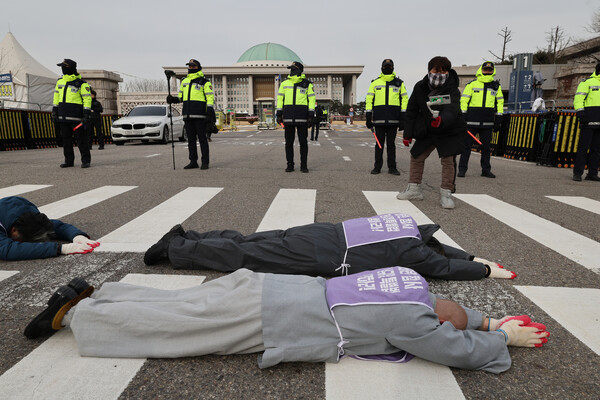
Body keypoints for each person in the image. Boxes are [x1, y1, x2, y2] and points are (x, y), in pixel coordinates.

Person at [24, 268, 549, 374]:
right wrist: (498, 337)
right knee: (178, 332)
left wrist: (483, 320)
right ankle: (80, 318)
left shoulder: (407, 281)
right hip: (272, 316)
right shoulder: (413, 324)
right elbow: (453, 349)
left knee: (183, 304)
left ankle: (104, 294)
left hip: (268, 286)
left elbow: (453, 320)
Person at [142, 213, 516, 281]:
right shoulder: (415, 253)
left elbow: (439, 250)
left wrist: (469, 255)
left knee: (250, 241)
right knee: (245, 256)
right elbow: (442, 266)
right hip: (323, 256)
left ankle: (190, 236)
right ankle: (174, 249)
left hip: (321, 233)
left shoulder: (404, 224)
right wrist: (481, 269)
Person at [396, 56, 465, 209]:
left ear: (448, 72)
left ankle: (446, 193)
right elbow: (412, 110)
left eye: (443, 71)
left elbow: (453, 109)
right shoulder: (420, 87)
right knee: (416, 155)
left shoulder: (452, 88)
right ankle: (414, 189)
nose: (439, 75)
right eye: (436, 71)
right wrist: (407, 134)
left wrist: (442, 119)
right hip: (428, 128)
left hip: (448, 129)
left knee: (448, 160)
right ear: (429, 71)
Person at [0, 196, 99, 261]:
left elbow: (55, 226)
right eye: (20, 240)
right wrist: (60, 248)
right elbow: (7, 250)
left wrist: (77, 236)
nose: (21, 242)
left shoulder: (25, 215)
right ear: (13, 229)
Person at [457, 61, 504, 179]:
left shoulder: (496, 86)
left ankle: (486, 170)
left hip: (487, 122)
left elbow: (500, 102)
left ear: (493, 71)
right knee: (466, 146)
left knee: (486, 148)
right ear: (481, 70)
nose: (487, 72)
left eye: (490, 70)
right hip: (471, 121)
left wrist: (499, 117)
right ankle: (462, 169)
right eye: (485, 70)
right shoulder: (472, 84)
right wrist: (463, 115)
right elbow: (464, 101)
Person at [167, 59, 215, 170]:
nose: (191, 68)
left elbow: (210, 97)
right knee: (191, 140)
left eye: (193, 66)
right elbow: (181, 97)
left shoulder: (204, 82)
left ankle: (205, 162)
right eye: (189, 66)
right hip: (187, 115)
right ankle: (193, 161)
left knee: (202, 139)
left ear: (198, 67)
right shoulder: (184, 82)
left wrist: (209, 110)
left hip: (200, 115)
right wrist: (173, 99)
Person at [365, 59, 408, 175]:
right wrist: (368, 116)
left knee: (391, 145)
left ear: (393, 68)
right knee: (379, 145)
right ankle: (377, 167)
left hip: (393, 120)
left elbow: (405, 99)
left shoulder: (399, 83)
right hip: (378, 120)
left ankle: (392, 168)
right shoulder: (375, 83)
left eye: (389, 66)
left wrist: (403, 117)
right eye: (386, 66)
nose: (387, 68)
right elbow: (369, 100)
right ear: (382, 68)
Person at [276, 61, 315, 173]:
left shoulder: (307, 84)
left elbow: (311, 100)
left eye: (293, 69)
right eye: (291, 69)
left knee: (303, 143)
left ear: (299, 70)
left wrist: (311, 115)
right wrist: (279, 114)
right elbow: (280, 99)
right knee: (288, 143)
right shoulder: (284, 83)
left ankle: (303, 165)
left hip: (302, 118)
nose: (291, 71)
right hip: (288, 117)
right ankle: (290, 165)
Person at [52, 59, 92, 168]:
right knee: (66, 140)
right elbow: (56, 97)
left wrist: (86, 113)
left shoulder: (82, 84)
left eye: (64, 67)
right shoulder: (60, 81)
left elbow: (87, 99)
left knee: (81, 140)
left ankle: (85, 160)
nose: (62, 69)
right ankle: (69, 161)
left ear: (70, 68)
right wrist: (54, 110)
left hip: (76, 117)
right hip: (63, 115)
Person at [572, 63, 600, 182]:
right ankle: (578, 173)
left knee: (597, 150)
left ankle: (593, 173)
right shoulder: (587, 82)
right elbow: (578, 99)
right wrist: (581, 113)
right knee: (583, 148)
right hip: (588, 120)